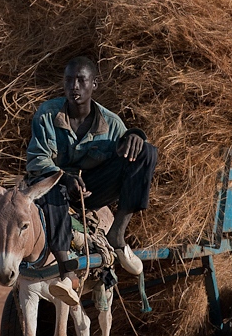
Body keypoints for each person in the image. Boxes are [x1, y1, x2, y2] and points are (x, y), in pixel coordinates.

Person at [26, 56, 158, 306]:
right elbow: (37, 159)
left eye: (81, 80)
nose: (74, 86)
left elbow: (126, 155)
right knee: (50, 186)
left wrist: (135, 136)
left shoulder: (111, 123)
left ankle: (117, 235)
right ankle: (66, 273)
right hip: (58, 190)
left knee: (147, 151)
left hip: (94, 192)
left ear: (94, 84)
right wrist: (65, 179)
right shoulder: (47, 115)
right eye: (68, 80)